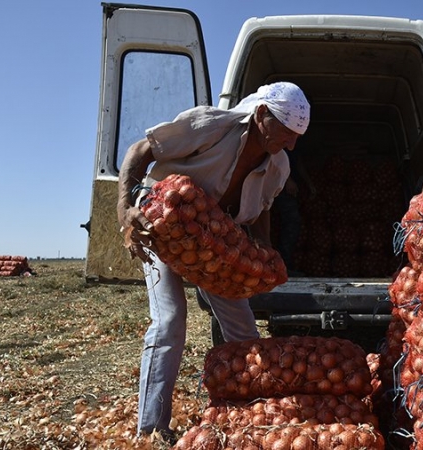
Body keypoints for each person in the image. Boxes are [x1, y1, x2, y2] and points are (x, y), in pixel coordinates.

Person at [116, 81, 310, 441]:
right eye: (287, 133)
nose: (292, 145)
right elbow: (140, 150)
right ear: (263, 115)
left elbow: (262, 209)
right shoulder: (210, 126)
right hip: (163, 230)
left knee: (244, 331)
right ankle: (151, 430)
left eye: (298, 137)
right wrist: (125, 210)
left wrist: (263, 251)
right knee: (170, 320)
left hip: (213, 246)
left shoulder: (278, 165)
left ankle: (247, 417)